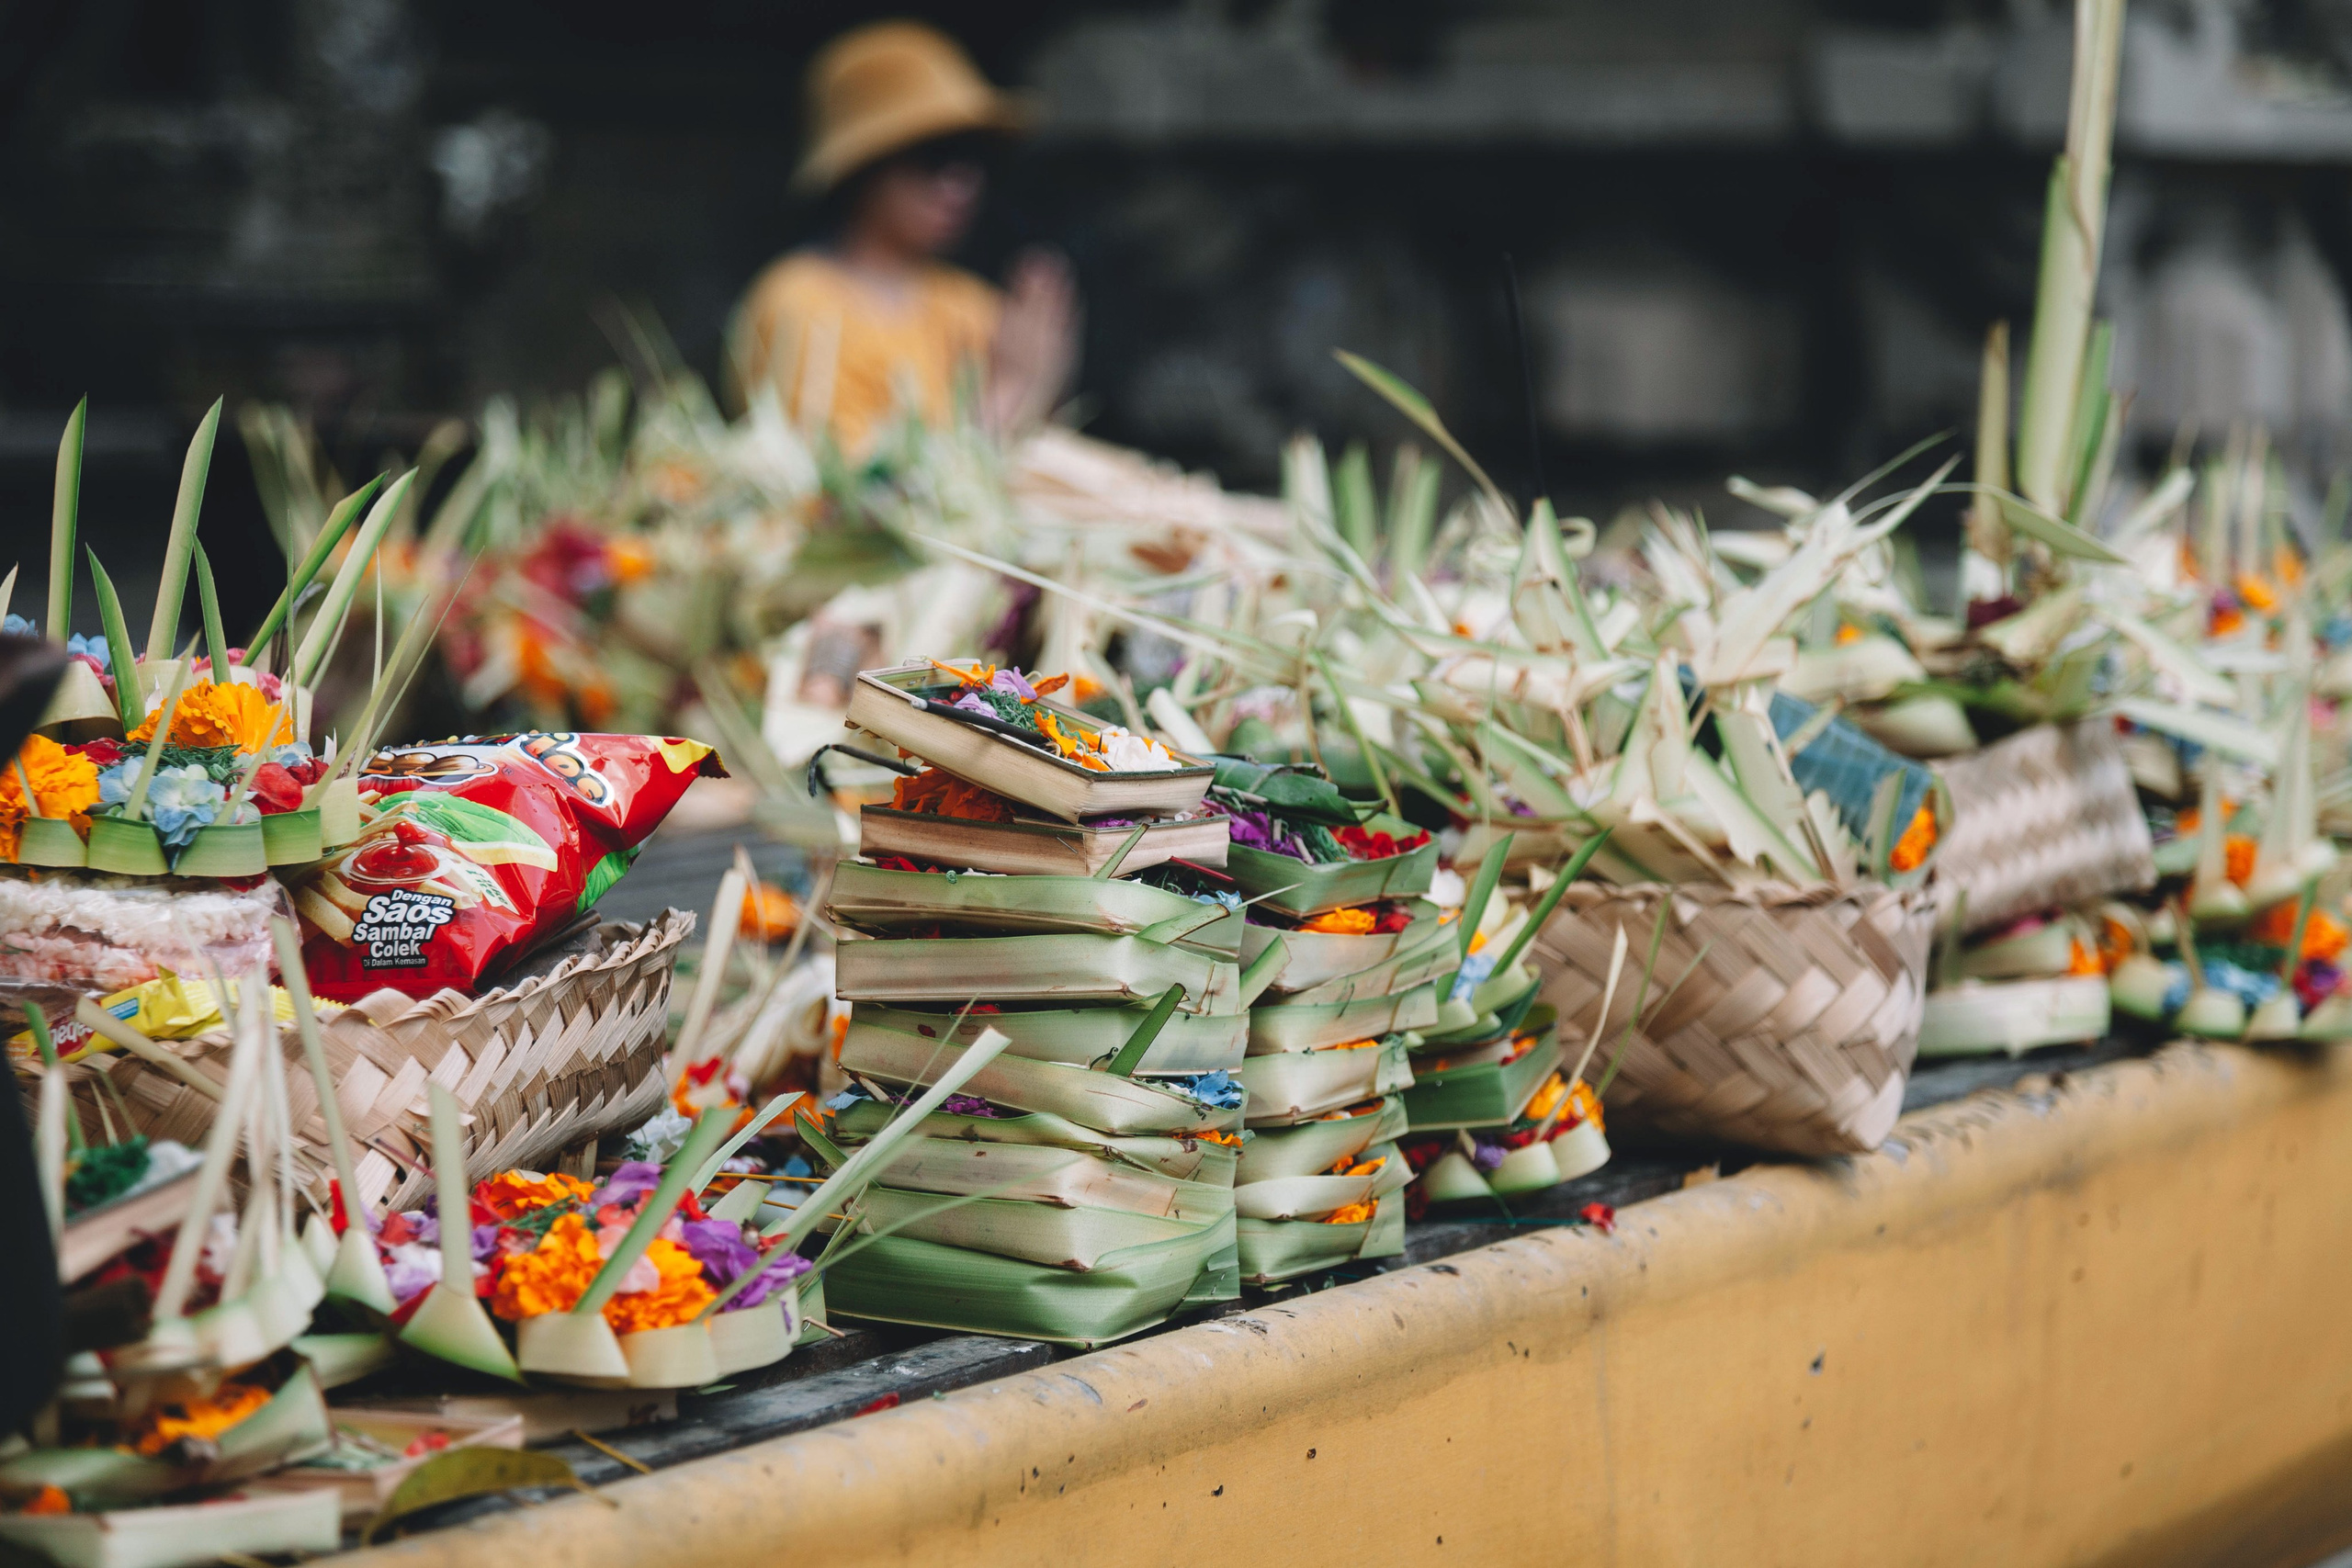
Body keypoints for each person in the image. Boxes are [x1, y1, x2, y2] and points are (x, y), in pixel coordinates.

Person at [728, 21, 1079, 456]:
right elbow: (843, 496)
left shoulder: (968, 305)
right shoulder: (799, 303)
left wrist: (1046, 381)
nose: (960, 183)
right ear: (863, 168)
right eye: (934, 157)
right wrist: (1011, 391)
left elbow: (1038, 467)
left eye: (974, 156)